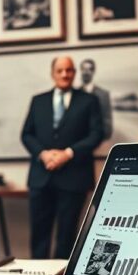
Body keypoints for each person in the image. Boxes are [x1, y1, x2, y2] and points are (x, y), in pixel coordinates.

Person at [21, 56, 104, 259]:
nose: (65, 74)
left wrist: (67, 153)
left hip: (74, 178)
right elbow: (26, 134)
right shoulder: (38, 101)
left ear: (74, 73)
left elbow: (96, 134)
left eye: (69, 70)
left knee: (67, 237)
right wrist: (43, 154)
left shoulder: (89, 101)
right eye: (60, 70)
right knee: (39, 236)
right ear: (53, 73)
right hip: (41, 177)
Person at [78, 59, 112, 140]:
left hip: (98, 142)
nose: (86, 72)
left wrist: (98, 138)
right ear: (81, 71)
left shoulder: (103, 94)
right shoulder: (75, 94)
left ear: (93, 72)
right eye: (84, 69)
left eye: (89, 69)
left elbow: (107, 123)